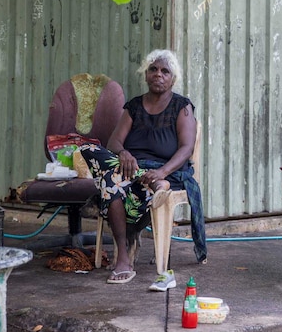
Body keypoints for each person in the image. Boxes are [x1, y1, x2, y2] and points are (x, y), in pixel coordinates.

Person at [79, 49, 206, 286]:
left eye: (165, 71)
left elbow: (186, 148)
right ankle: (124, 257)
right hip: (129, 169)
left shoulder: (181, 106)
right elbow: (114, 142)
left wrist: (162, 172)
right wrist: (124, 153)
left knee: (110, 182)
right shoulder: (134, 106)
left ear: (172, 79)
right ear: (146, 75)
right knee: (89, 150)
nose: (158, 74)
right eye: (153, 69)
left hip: (166, 170)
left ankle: (157, 187)